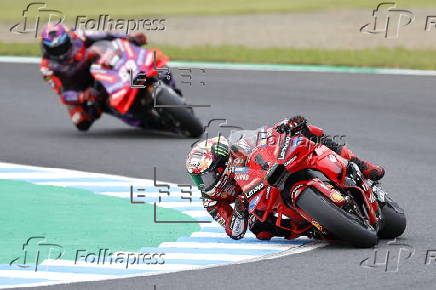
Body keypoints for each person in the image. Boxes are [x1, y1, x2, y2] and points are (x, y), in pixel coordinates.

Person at [185, 116, 385, 240]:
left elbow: (265, 135)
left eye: (207, 175)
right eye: (199, 179)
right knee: (260, 230)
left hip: (271, 171)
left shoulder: (238, 148)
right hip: (261, 200)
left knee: (307, 133)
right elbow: (234, 232)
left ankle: (362, 165)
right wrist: (239, 210)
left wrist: (284, 126)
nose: (204, 183)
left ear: (222, 166)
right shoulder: (211, 200)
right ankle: (310, 228)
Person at [39, 23, 147, 131]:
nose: (60, 53)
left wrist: (129, 37)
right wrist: (81, 96)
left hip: (98, 67)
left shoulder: (78, 36)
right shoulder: (47, 67)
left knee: (118, 52)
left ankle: (148, 72)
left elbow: (106, 35)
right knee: (82, 123)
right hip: (79, 87)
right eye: (54, 50)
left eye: (62, 47)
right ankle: (128, 113)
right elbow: (62, 93)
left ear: (68, 39)